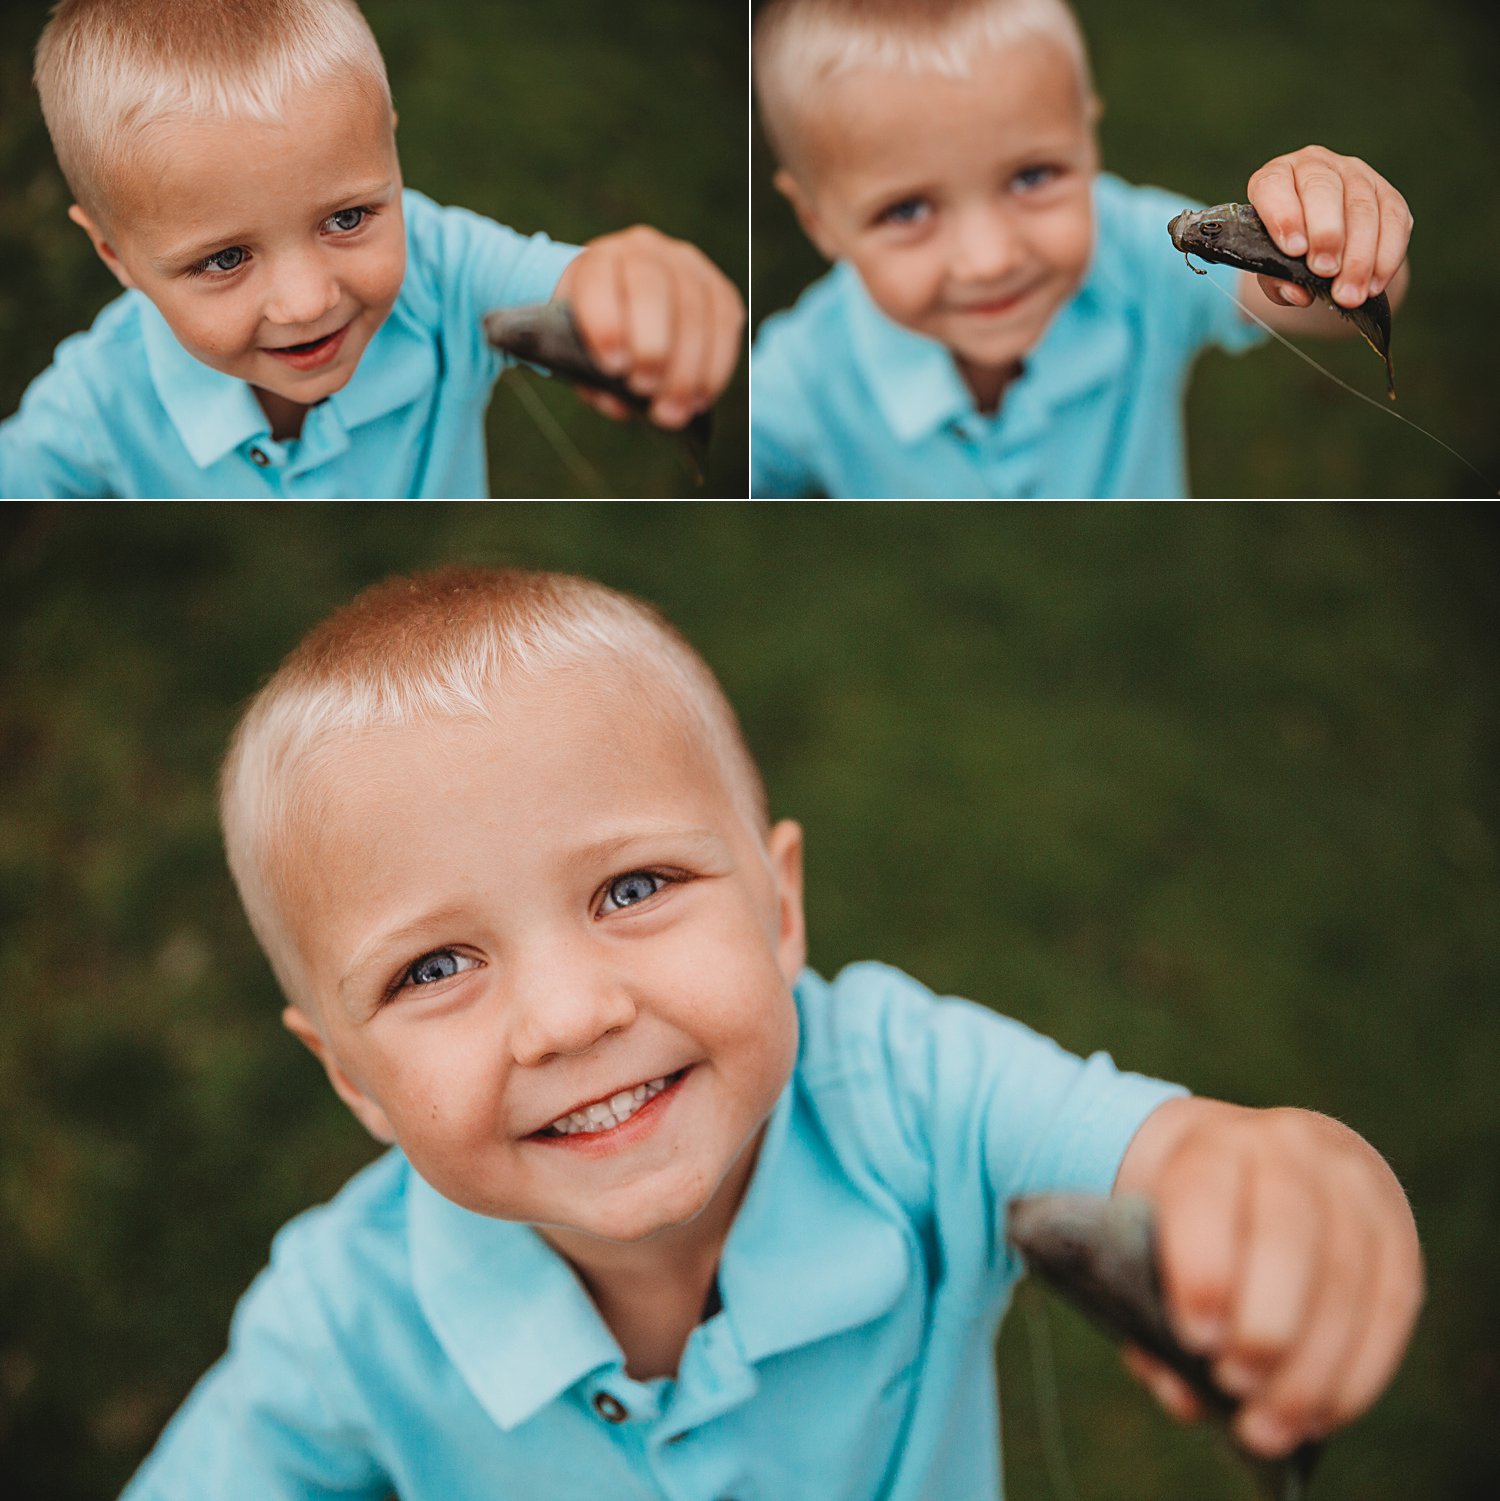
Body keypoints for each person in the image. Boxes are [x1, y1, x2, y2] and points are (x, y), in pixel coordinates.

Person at [119, 563, 1424, 1500]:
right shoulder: (343, 1322)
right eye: (436, 965)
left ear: (781, 904)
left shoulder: (909, 1098)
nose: (573, 1015)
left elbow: (1194, 1153)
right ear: (349, 1074)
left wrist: (1292, 1200)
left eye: (633, 889)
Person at [0, 0, 743, 498]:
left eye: (348, 217)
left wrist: (646, 288)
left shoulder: (442, 275)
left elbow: (573, 283)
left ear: (390, 146)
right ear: (114, 256)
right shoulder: (96, 405)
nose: (309, 300)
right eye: (224, 259)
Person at [749, 0, 1413, 498]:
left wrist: (1344, 242)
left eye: (1032, 176)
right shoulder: (800, 379)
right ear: (819, 222)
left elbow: (1320, 308)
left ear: (1086, 137)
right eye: (907, 210)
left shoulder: (1130, 256)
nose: (990, 258)